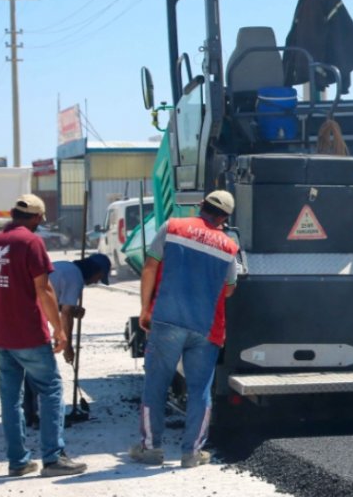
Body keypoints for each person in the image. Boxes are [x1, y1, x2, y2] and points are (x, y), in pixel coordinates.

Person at [0, 194, 87, 478]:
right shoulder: (31, 242)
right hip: (29, 334)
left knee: (10, 398)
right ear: (37, 218)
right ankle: (53, 458)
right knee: (50, 390)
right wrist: (59, 329)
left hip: (1, 336)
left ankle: (18, 462)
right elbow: (44, 289)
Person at [130, 191, 240, 468]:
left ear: (201, 205)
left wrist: (145, 309)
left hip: (167, 319)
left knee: (156, 384)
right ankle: (192, 453)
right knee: (200, 389)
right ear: (225, 217)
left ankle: (151, 449)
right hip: (206, 327)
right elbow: (228, 291)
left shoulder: (172, 227)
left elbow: (149, 267)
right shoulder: (229, 247)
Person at [24, 253, 111, 428]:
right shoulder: (76, 278)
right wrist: (68, 345)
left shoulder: (66, 267)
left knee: (31, 368)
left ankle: (30, 415)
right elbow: (65, 314)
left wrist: (71, 310)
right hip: (30, 317)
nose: (96, 282)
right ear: (96, 271)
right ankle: (43, 419)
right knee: (43, 371)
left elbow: (57, 302)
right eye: (100, 277)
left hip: (24, 310)